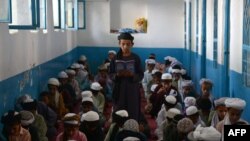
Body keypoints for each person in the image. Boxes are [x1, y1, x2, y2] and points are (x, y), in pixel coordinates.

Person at [109, 32, 144, 121]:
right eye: (123, 44)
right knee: (119, 110)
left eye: (128, 44)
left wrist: (132, 75)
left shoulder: (136, 58)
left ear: (132, 44)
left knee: (132, 110)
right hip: (119, 88)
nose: (125, 47)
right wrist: (117, 75)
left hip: (132, 89)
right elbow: (110, 74)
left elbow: (140, 74)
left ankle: (132, 127)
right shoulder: (115, 58)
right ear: (119, 44)